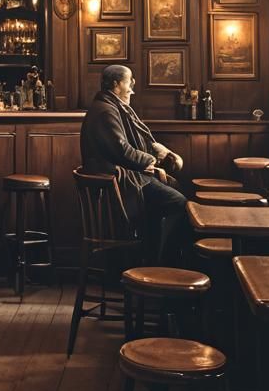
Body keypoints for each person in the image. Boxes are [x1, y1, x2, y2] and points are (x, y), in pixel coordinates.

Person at [80, 64, 188, 263]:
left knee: (169, 194)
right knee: (178, 202)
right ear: (116, 84)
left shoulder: (108, 106)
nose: (132, 89)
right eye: (129, 82)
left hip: (121, 178)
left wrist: (152, 153)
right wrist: (151, 159)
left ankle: (150, 261)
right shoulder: (106, 111)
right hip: (117, 186)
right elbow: (122, 150)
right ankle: (162, 264)